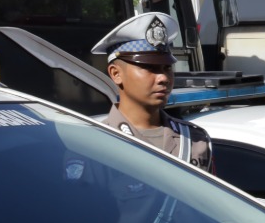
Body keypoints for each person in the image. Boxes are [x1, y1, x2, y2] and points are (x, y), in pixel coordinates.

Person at [90, 12, 213, 171]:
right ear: (116, 74)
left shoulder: (194, 139)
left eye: (167, 67)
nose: (163, 78)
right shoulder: (94, 143)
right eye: (149, 67)